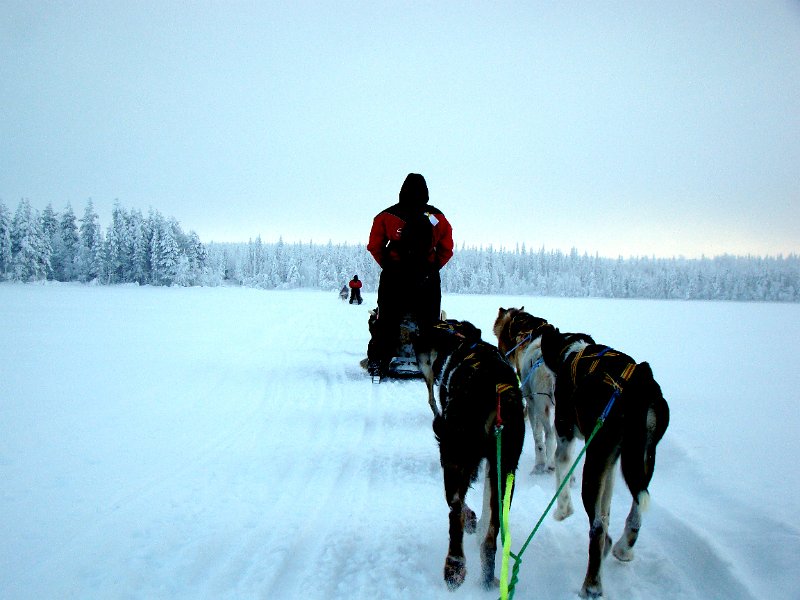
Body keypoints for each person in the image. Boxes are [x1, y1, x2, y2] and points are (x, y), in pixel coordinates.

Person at [366, 173, 454, 377]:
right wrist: (432, 269)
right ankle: (433, 363)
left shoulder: (386, 215)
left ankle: (379, 361)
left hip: (394, 277)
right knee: (430, 323)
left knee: (387, 319)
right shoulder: (437, 217)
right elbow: (447, 249)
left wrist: (388, 266)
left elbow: (374, 246)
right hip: (427, 279)